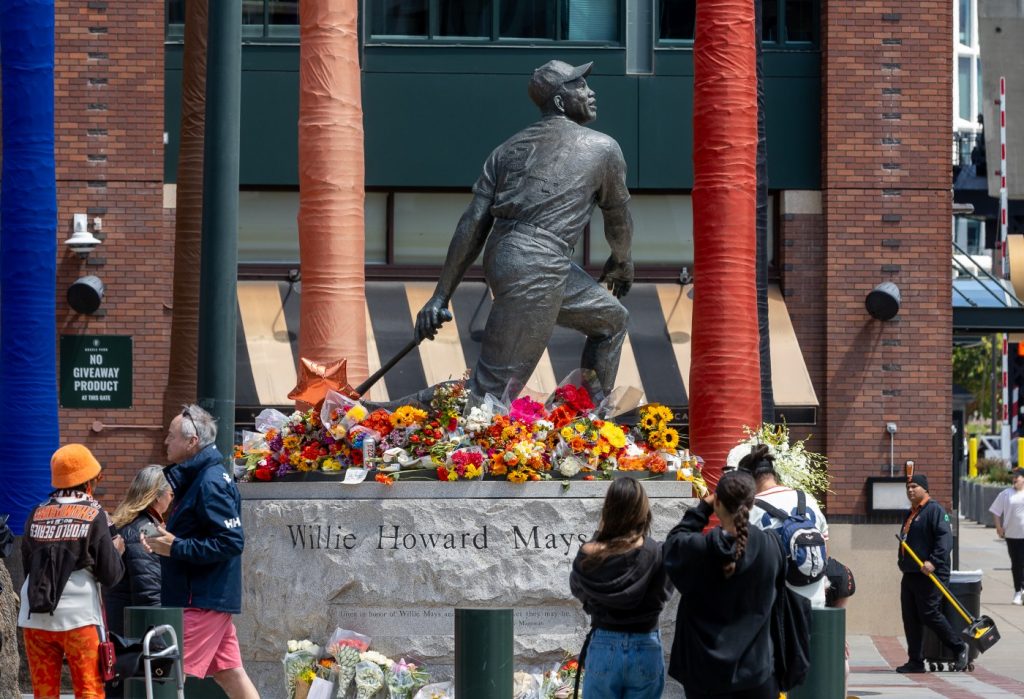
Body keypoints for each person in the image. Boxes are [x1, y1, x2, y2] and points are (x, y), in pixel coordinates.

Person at [415, 59, 634, 400]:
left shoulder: (507, 148)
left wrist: (442, 295)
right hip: (536, 263)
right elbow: (617, 216)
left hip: (521, 256)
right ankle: (375, 417)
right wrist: (622, 261)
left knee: (611, 321)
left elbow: (473, 223)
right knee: (488, 395)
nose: (591, 92)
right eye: (580, 86)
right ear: (560, 101)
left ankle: (582, 426)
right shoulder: (602, 148)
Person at [144, 404, 260, 699]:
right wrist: (169, 544)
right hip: (205, 596)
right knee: (230, 675)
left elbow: (232, 541)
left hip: (200, 601)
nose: (166, 442)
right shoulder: (203, 477)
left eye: (171, 436)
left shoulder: (208, 482)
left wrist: (176, 546)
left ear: (192, 442)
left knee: (165, 675)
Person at [663, 470, 785, 699]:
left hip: (704, 674)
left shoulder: (698, 549)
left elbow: (672, 545)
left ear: (717, 501)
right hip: (756, 672)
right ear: (752, 503)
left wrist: (701, 510)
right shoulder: (770, 546)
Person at [18, 444, 125, 699]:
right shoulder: (94, 514)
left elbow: (27, 567)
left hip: (35, 618)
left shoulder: (37, 512)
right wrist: (116, 551)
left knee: (43, 692)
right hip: (80, 619)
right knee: (89, 690)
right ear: (88, 481)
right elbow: (110, 575)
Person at [569, 478, 673, 699]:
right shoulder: (656, 553)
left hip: (604, 641)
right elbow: (665, 593)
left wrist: (602, 533)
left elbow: (578, 590)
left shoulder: (588, 555)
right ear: (643, 510)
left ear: (608, 509)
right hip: (646, 643)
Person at [738, 444, 830, 607]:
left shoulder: (751, 509)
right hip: (814, 599)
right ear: (773, 474)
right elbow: (824, 545)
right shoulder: (807, 498)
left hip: (777, 606)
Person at [896, 473, 970, 673]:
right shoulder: (912, 513)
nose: (910, 490)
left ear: (925, 489)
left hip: (931, 574)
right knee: (910, 617)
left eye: (915, 486)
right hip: (911, 573)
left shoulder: (935, 510)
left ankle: (959, 647)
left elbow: (944, 540)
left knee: (929, 613)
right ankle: (915, 661)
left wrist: (934, 562)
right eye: (908, 487)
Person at [104, 465, 173, 637]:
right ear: (157, 496)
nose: (172, 499)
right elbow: (148, 591)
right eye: (171, 494)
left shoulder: (123, 525)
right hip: (138, 633)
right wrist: (159, 637)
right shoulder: (146, 529)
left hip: (120, 626)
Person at [989, 467, 1024, 605]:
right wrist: (998, 527)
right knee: (1016, 564)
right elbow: (996, 511)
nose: (1014, 479)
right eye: (1013, 477)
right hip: (1012, 535)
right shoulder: (1006, 494)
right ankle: (1017, 591)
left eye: (1017, 476)